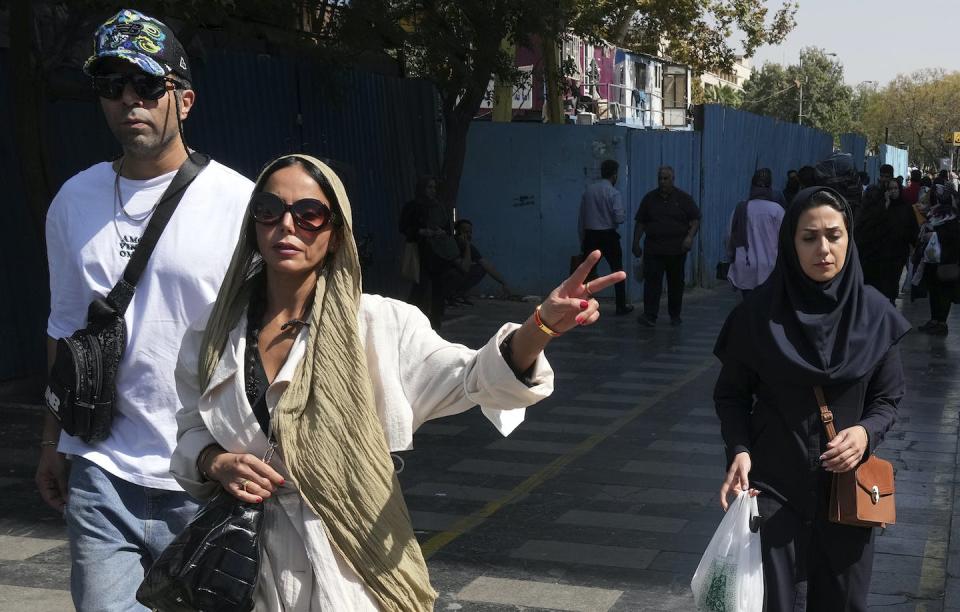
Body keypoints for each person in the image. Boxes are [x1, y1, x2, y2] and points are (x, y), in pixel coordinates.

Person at [169, 154, 625, 610]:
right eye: (269, 210)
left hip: (350, 560)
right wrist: (215, 461)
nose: (287, 225)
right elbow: (191, 429)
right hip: (242, 566)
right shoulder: (213, 335)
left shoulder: (379, 324)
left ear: (334, 236)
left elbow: (472, 377)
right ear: (254, 226)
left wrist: (540, 325)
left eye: (309, 214)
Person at [36, 9, 254, 611]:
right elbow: (63, 330)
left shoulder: (239, 205)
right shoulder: (74, 201)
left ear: (183, 99)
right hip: (101, 470)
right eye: (111, 86)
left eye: (146, 85)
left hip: (206, 475)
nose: (128, 100)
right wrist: (51, 441)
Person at [714, 187, 909, 611]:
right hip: (773, 492)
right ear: (791, 243)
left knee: (842, 602)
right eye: (809, 237)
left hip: (848, 497)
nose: (823, 248)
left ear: (849, 239)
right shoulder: (757, 317)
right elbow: (731, 395)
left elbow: (888, 400)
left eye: (834, 235)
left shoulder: (875, 314)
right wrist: (740, 449)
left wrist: (864, 433)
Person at [633, 165, 701, 326]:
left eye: (666, 178)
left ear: (672, 179)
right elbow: (641, 222)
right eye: (660, 178)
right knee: (652, 283)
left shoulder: (684, 199)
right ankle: (650, 315)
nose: (662, 182)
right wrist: (635, 242)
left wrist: (690, 237)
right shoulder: (649, 199)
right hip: (654, 250)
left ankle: (675, 315)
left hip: (676, 250)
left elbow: (695, 219)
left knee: (676, 284)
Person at [399, 175, 457, 329]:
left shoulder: (439, 206)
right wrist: (422, 231)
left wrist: (440, 232)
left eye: (434, 188)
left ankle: (436, 319)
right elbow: (404, 227)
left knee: (438, 286)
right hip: (421, 250)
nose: (432, 191)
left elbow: (448, 229)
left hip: (439, 251)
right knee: (420, 285)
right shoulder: (413, 206)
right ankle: (410, 319)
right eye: (429, 187)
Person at [578, 159, 633, 314]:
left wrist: (582, 238)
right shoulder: (613, 193)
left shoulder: (588, 190)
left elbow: (581, 218)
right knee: (617, 272)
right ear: (614, 175)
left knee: (585, 273)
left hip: (591, 236)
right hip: (608, 236)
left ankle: (580, 304)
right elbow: (619, 218)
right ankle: (620, 306)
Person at [855, 178, 919, 302]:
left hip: (899, 251)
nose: (893, 191)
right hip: (882, 251)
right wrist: (886, 205)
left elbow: (912, 228)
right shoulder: (882, 206)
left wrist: (914, 245)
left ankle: (891, 302)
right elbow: (875, 225)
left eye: (896, 188)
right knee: (883, 281)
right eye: (890, 189)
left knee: (894, 280)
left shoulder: (906, 207)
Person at [726, 168, 785, 295]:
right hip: (770, 268)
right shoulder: (777, 211)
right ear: (770, 187)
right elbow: (785, 239)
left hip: (745, 267)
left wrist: (731, 257)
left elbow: (730, 237)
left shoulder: (740, 208)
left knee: (749, 309)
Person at [915, 185, 960, 335]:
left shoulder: (953, 216)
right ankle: (934, 320)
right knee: (933, 291)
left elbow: (953, 237)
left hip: (945, 260)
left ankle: (941, 323)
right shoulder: (934, 211)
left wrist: (934, 236)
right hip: (932, 259)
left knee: (944, 293)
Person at [446, 218, 513, 303]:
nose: (469, 235)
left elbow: (485, 264)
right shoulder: (451, 244)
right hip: (445, 279)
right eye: (466, 232)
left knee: (480, 268)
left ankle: (458, 294)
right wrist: (467, 245)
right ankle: (448, 295)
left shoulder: (469, 246)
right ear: (458, 233)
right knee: (457, 272)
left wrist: (503, 283)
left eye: (470, 232)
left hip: (456, 275)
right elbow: (465, 268)